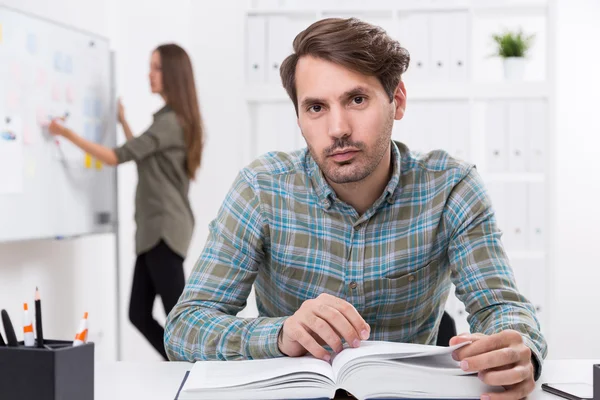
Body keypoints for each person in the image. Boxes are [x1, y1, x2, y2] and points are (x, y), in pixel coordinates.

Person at [165, 18, 547, 399]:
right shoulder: (261, 188)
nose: (337, 128)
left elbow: (500, 306)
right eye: (316, 107)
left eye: (357, 99)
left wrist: (519, 352)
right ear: (299, 118)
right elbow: (184, 327)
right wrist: (279, 334)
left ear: (396, 101)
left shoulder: (451, 187)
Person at [48, 43, 203, 360]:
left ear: (173, 74)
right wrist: (123, 122)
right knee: (139, 314)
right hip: (155, 230)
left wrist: (65, 132)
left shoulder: (171, 123)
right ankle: (181, 364)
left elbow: (116, 156)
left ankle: (192, 368)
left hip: (163, 229)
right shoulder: (172, 122)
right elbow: (146, 156)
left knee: (179, 320)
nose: (150, 74)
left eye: (157, 68)